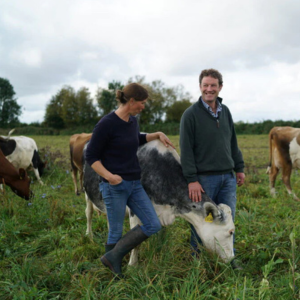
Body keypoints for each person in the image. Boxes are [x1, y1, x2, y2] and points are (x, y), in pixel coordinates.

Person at [85, 82, 175, 278]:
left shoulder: (132, 121)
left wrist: (156, 135)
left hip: (135, 183)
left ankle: (112, 257)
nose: (143, 107)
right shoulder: (106, 124)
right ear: (131, 100)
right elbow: (91, 156)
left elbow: (136, 138)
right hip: (114, 186)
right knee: (115, 232)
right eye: (142, 103)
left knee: (153, 224)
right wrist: (109, 176)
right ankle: (112, 273)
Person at [179, 68, 245, 269]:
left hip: (227, 177)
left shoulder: (226, 112)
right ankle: (197, 260)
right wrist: (191, 179)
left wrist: (239, 167)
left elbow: (232, 142)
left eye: (213, 85)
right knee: (202, 220)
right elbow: (186, 149)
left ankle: (229, 259)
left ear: (220, 87)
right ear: (200, 87)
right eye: (205, 85)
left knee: (227, 222)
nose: (209, 89)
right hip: (204, 180)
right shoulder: (190, 115)